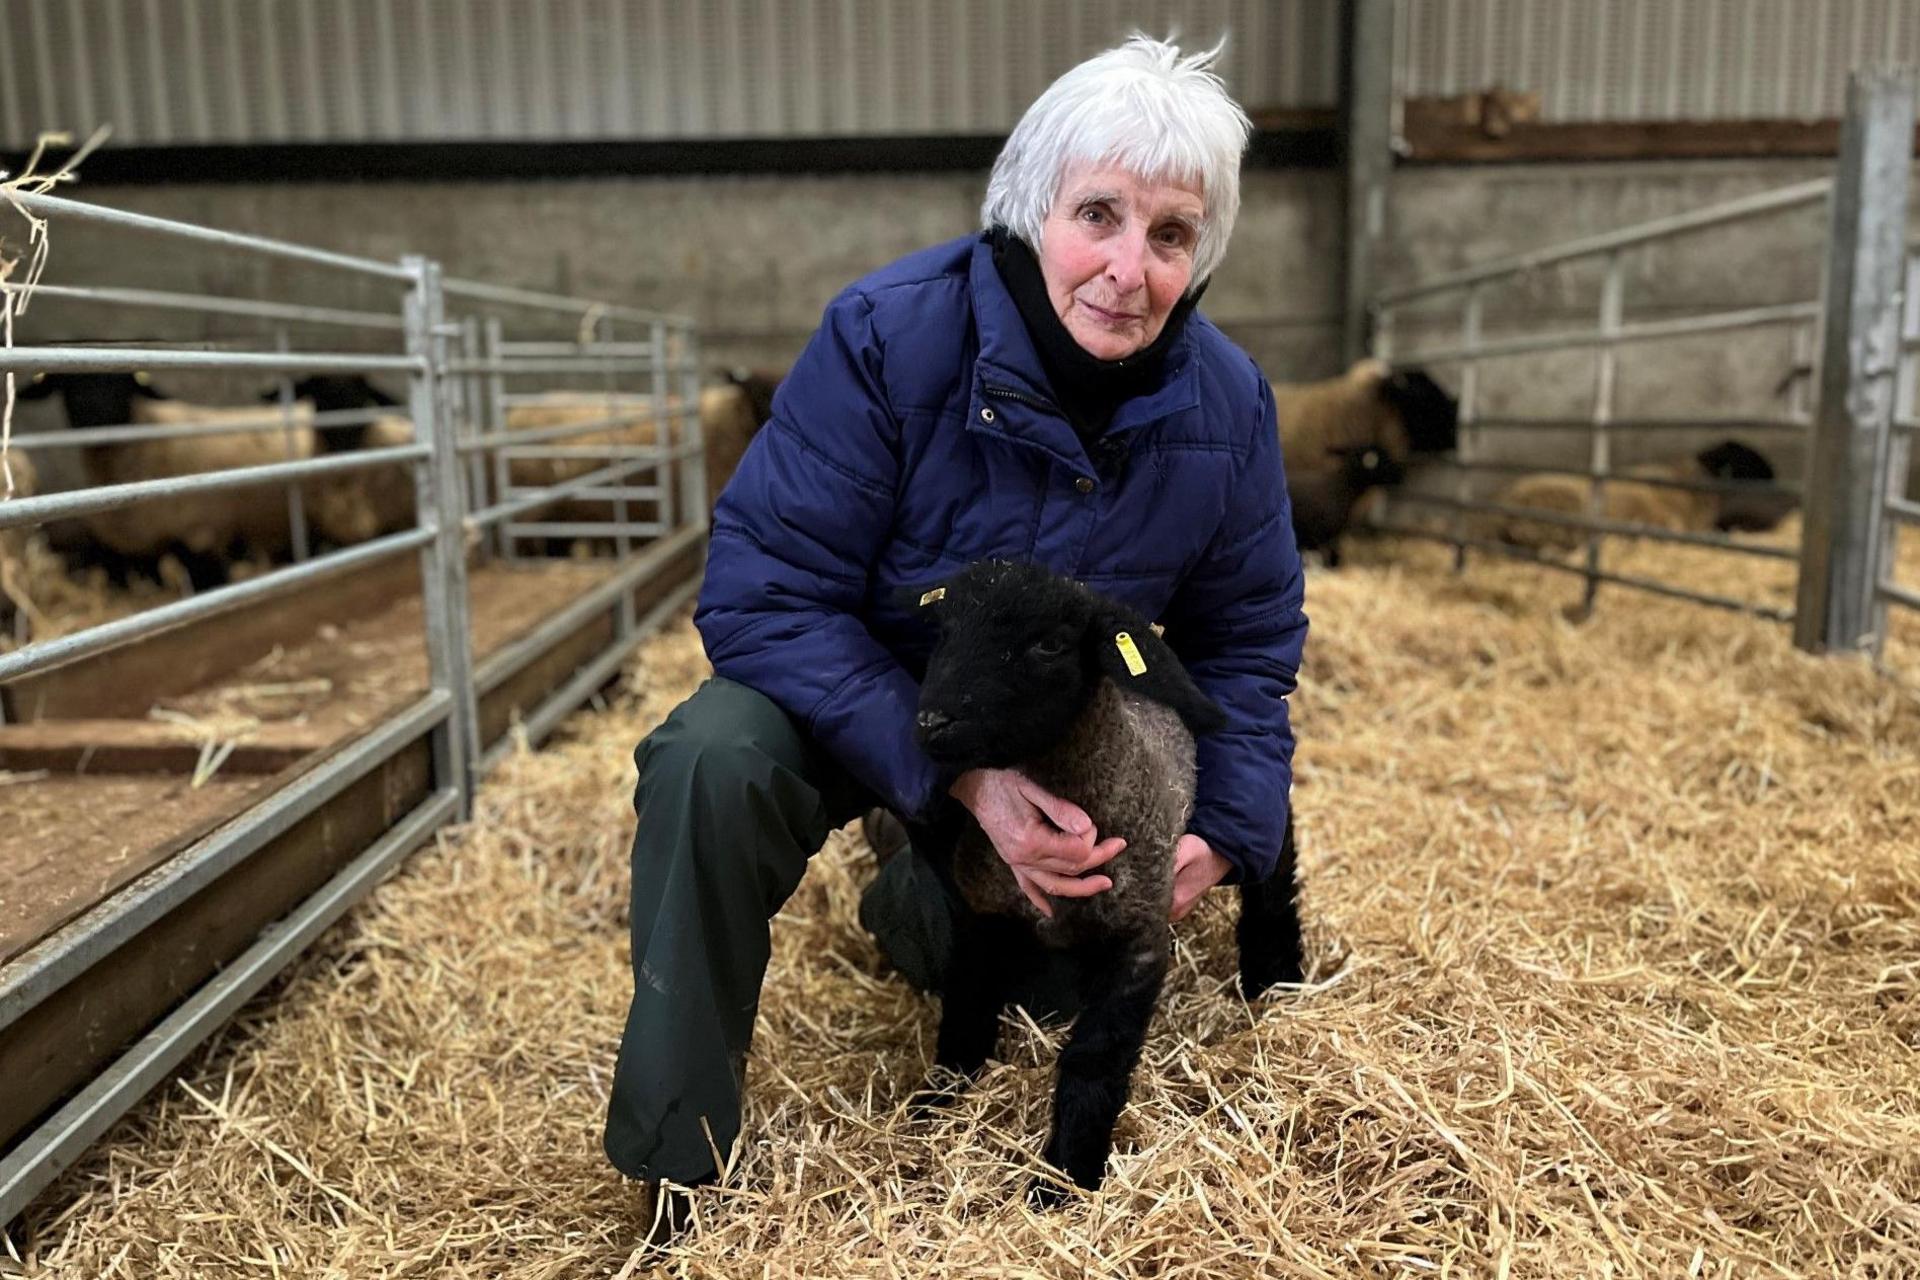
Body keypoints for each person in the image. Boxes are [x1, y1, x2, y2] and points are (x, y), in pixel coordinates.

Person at [604, 34, 1308, 1241]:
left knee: (1016, 981)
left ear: (1202, 256)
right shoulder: (890, 337)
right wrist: (956, 780)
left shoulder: (1227, 404)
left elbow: (1245, 644)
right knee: (711, 756)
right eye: (1100, 214)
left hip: (1063, 738)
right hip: (870, 694)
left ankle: (918, 899)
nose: (1128, 269)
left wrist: (1222, 837)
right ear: (1033, 203)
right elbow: (763, 591)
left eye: (1172, 235)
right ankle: (679, 1166)